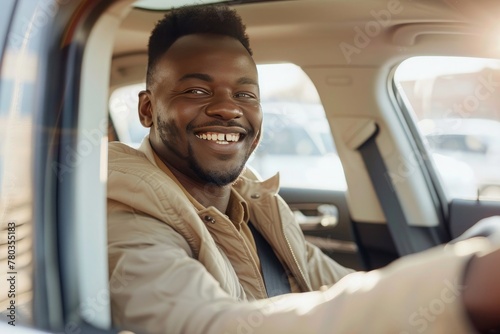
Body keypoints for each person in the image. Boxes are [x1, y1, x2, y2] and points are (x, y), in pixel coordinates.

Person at [106, 5, 500, 334]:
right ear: (146, 109)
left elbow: (335, 285)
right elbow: (210, 325)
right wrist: (461, 284)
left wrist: (465, 261)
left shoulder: (258, 205)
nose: (228, 108)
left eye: (245, 94)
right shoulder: (124, 218)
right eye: (196, 91)